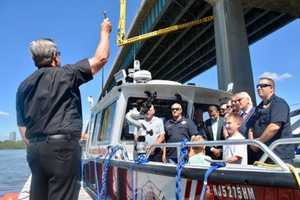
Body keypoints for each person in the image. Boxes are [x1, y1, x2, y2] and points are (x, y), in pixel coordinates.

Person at [16, 17, 112, 200]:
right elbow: (101, 58)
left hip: (35, 152)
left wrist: (38, 147)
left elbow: (23, 129)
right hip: (62, 151)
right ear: (53, 57)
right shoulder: (67, 74)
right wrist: (105, 31)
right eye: (58, 53)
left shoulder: (23, 86)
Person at [248, 77, 294, 164]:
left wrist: (257, 143)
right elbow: (251, 128)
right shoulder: (258, 108)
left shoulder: (279, 103)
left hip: (278, 156)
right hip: (262, 155)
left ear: (271, 88)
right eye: (258, 86)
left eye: (263, 86)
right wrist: (252, 143)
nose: (258, 88)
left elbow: (274, 127)